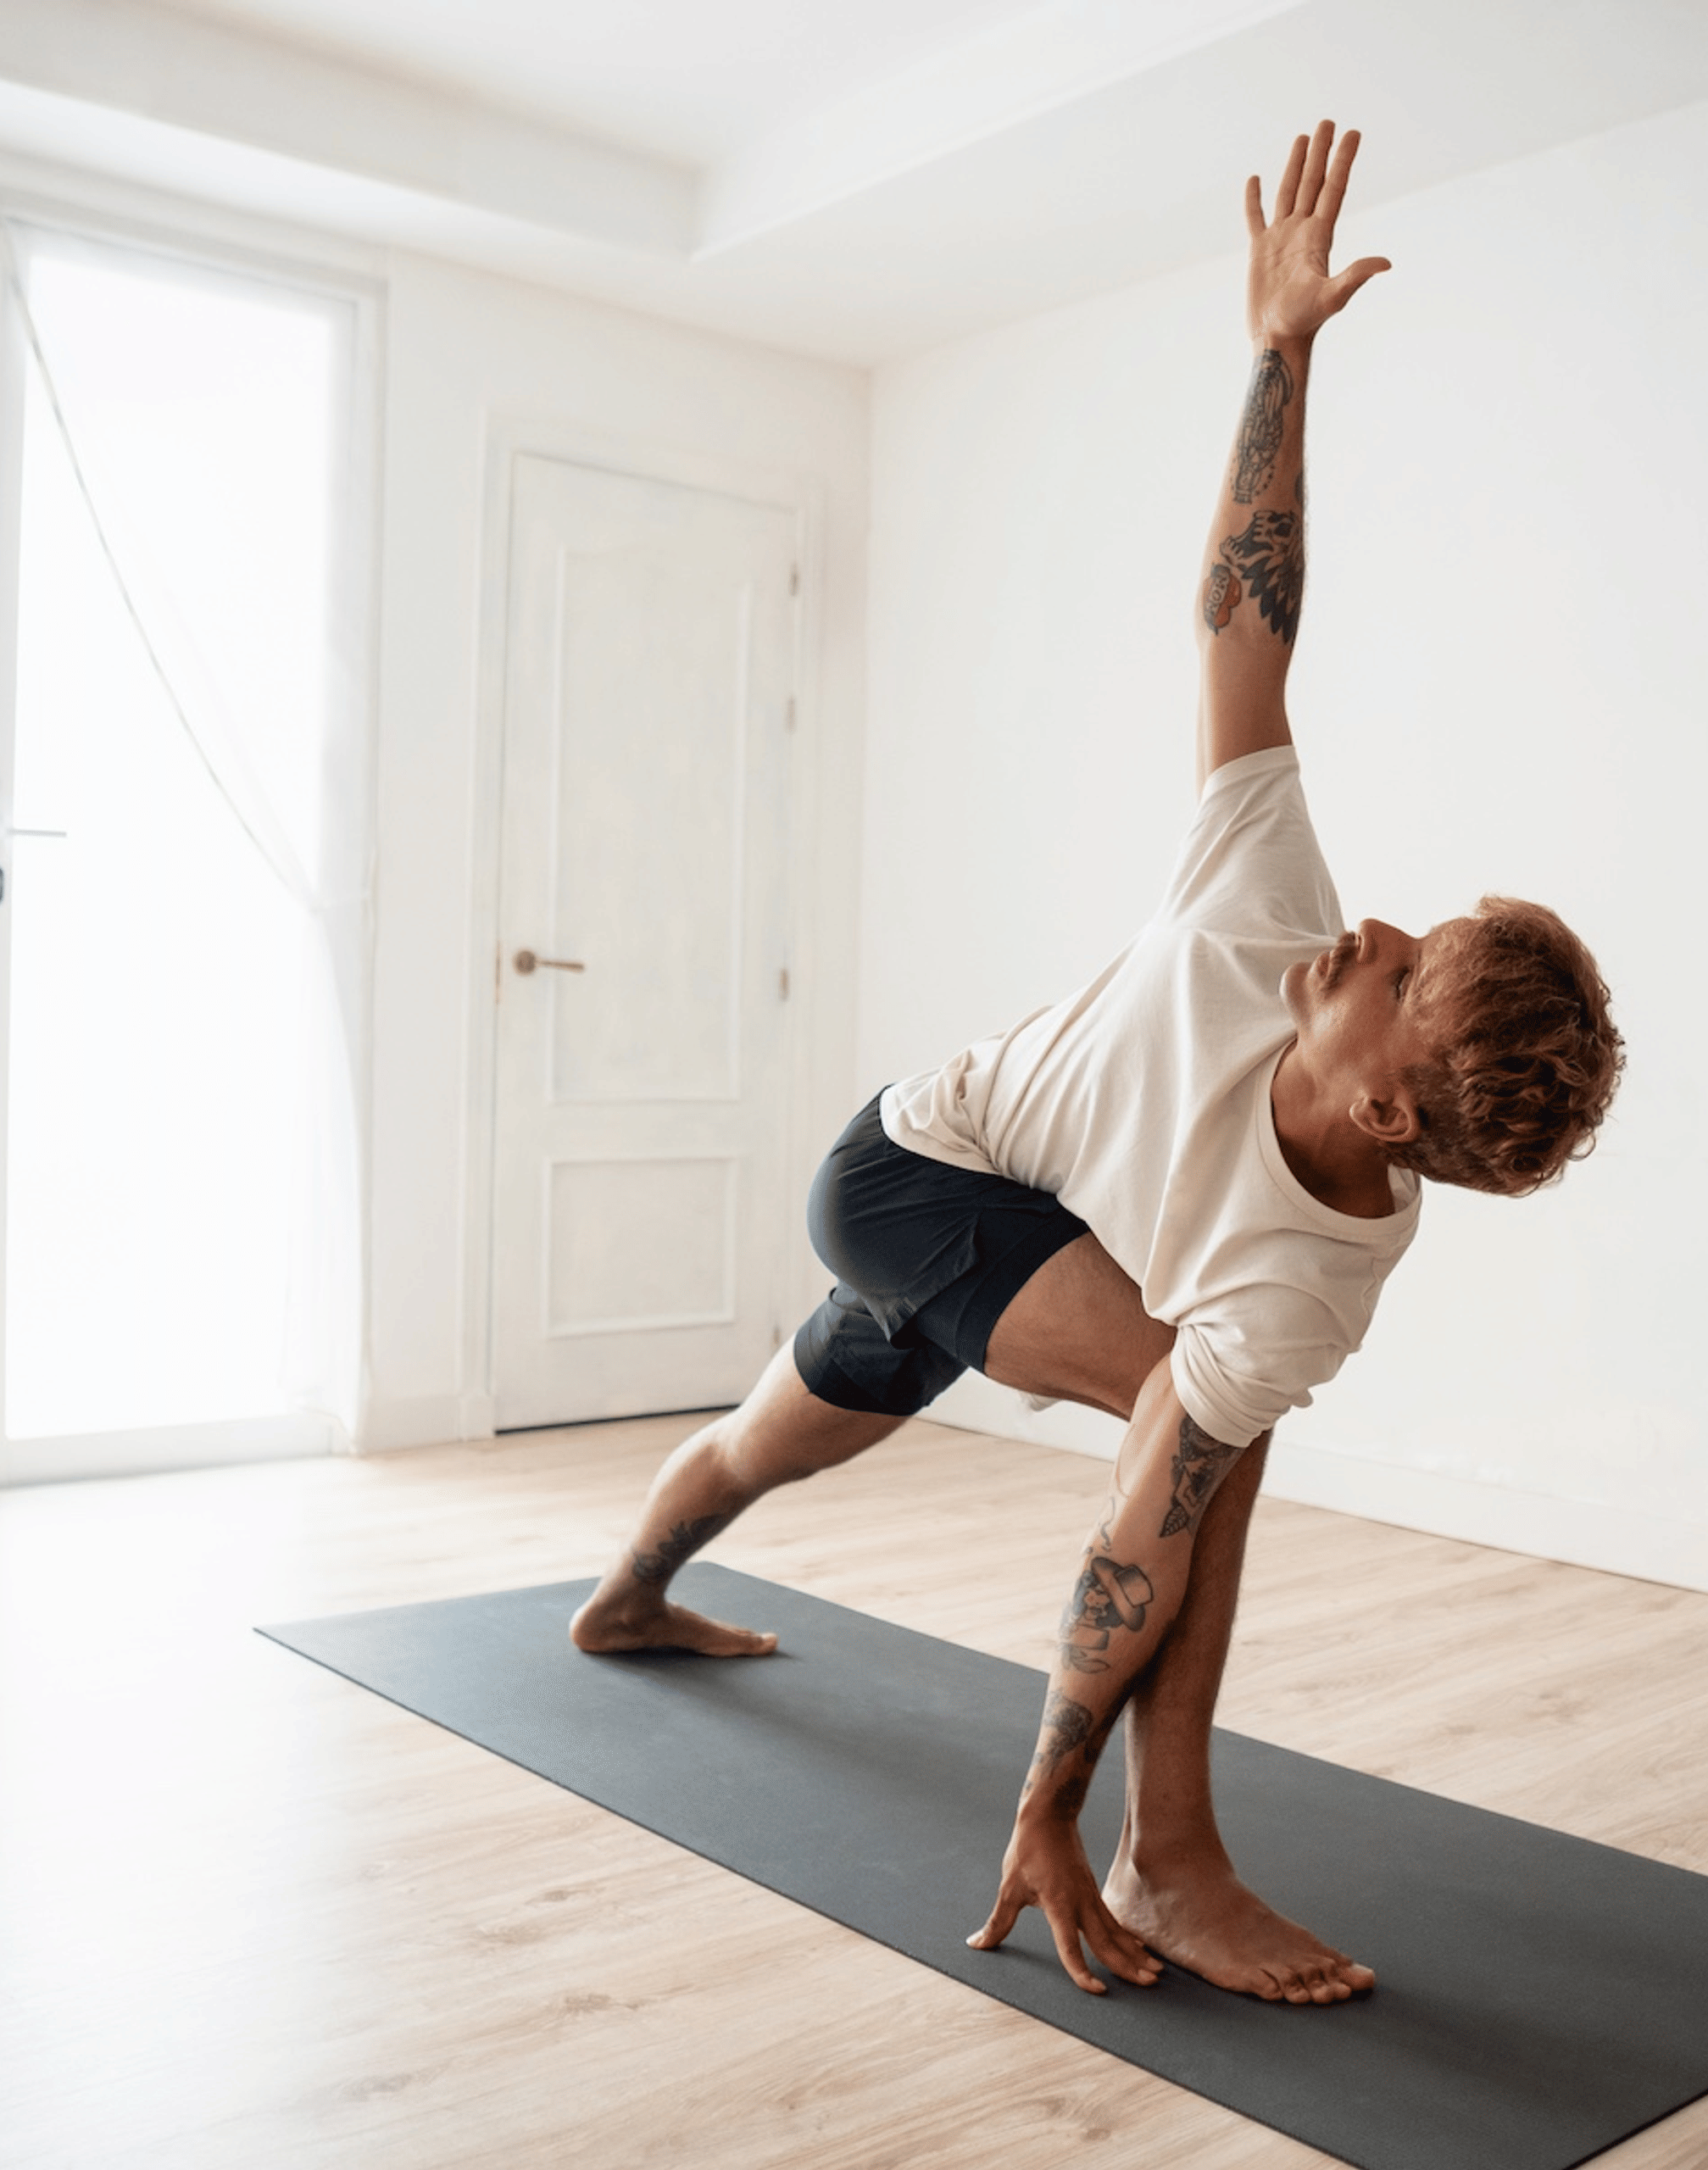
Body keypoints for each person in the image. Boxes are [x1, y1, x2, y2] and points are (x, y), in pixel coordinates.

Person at [568, 120, 1624, 2006]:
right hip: (911, 1172)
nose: (1366, 932)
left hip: (1041, 1239)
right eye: (1406, 930)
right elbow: (1247, 611)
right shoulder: (1269, 891)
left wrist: (1039, 1775)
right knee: (1195, 1427)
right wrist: (1283, 350)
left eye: (1400, 969)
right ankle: (1177, 1846)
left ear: (1390, 1106)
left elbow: (1140, 1526)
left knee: (809, 1422)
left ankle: (633, 1588)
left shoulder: (1311, 1282)